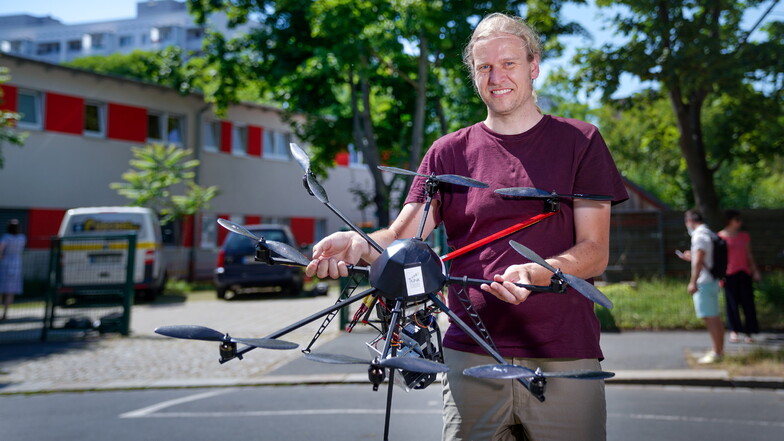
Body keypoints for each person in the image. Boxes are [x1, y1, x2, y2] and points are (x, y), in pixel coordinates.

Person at [306, 12, 628, 441]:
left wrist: (539, 271)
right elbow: (403, 235)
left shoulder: (581, 141)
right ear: (474, 74)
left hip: (563, 356)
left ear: (533, 66)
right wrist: (358, 244)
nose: (497, 76)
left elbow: (594, 250)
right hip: (470, 356)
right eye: (484, 67)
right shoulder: (447, 153)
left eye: (509, 63)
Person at [677, 209, 724, 364]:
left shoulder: (699, 235)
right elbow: (701, 258)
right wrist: (692, 257)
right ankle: (717, 350)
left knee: (711, 318)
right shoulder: (708, 233)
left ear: (689, 221)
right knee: (713, 317)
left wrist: (692, 282)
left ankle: (717, 353)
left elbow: (699, 261)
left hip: (704, 282)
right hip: (711, 280)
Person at [719, 210, 761, 344]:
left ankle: (749, 331)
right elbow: (719, 259)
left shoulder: (744, 236)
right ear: (730, 221)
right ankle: (734, 330)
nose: (740, 222)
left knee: (748, 303)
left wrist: (755, 270)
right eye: (737, 219)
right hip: (729, 274)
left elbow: (749, 255)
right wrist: (720, 275)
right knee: (731, 304)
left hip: (744, 273)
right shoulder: (720, 237)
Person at [0, 219, 26, 320]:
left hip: (5, 264)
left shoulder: (6, 237)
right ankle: (5, 312)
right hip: (16, 264)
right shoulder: (22, 238)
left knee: (1, 288)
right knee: (10, 291)